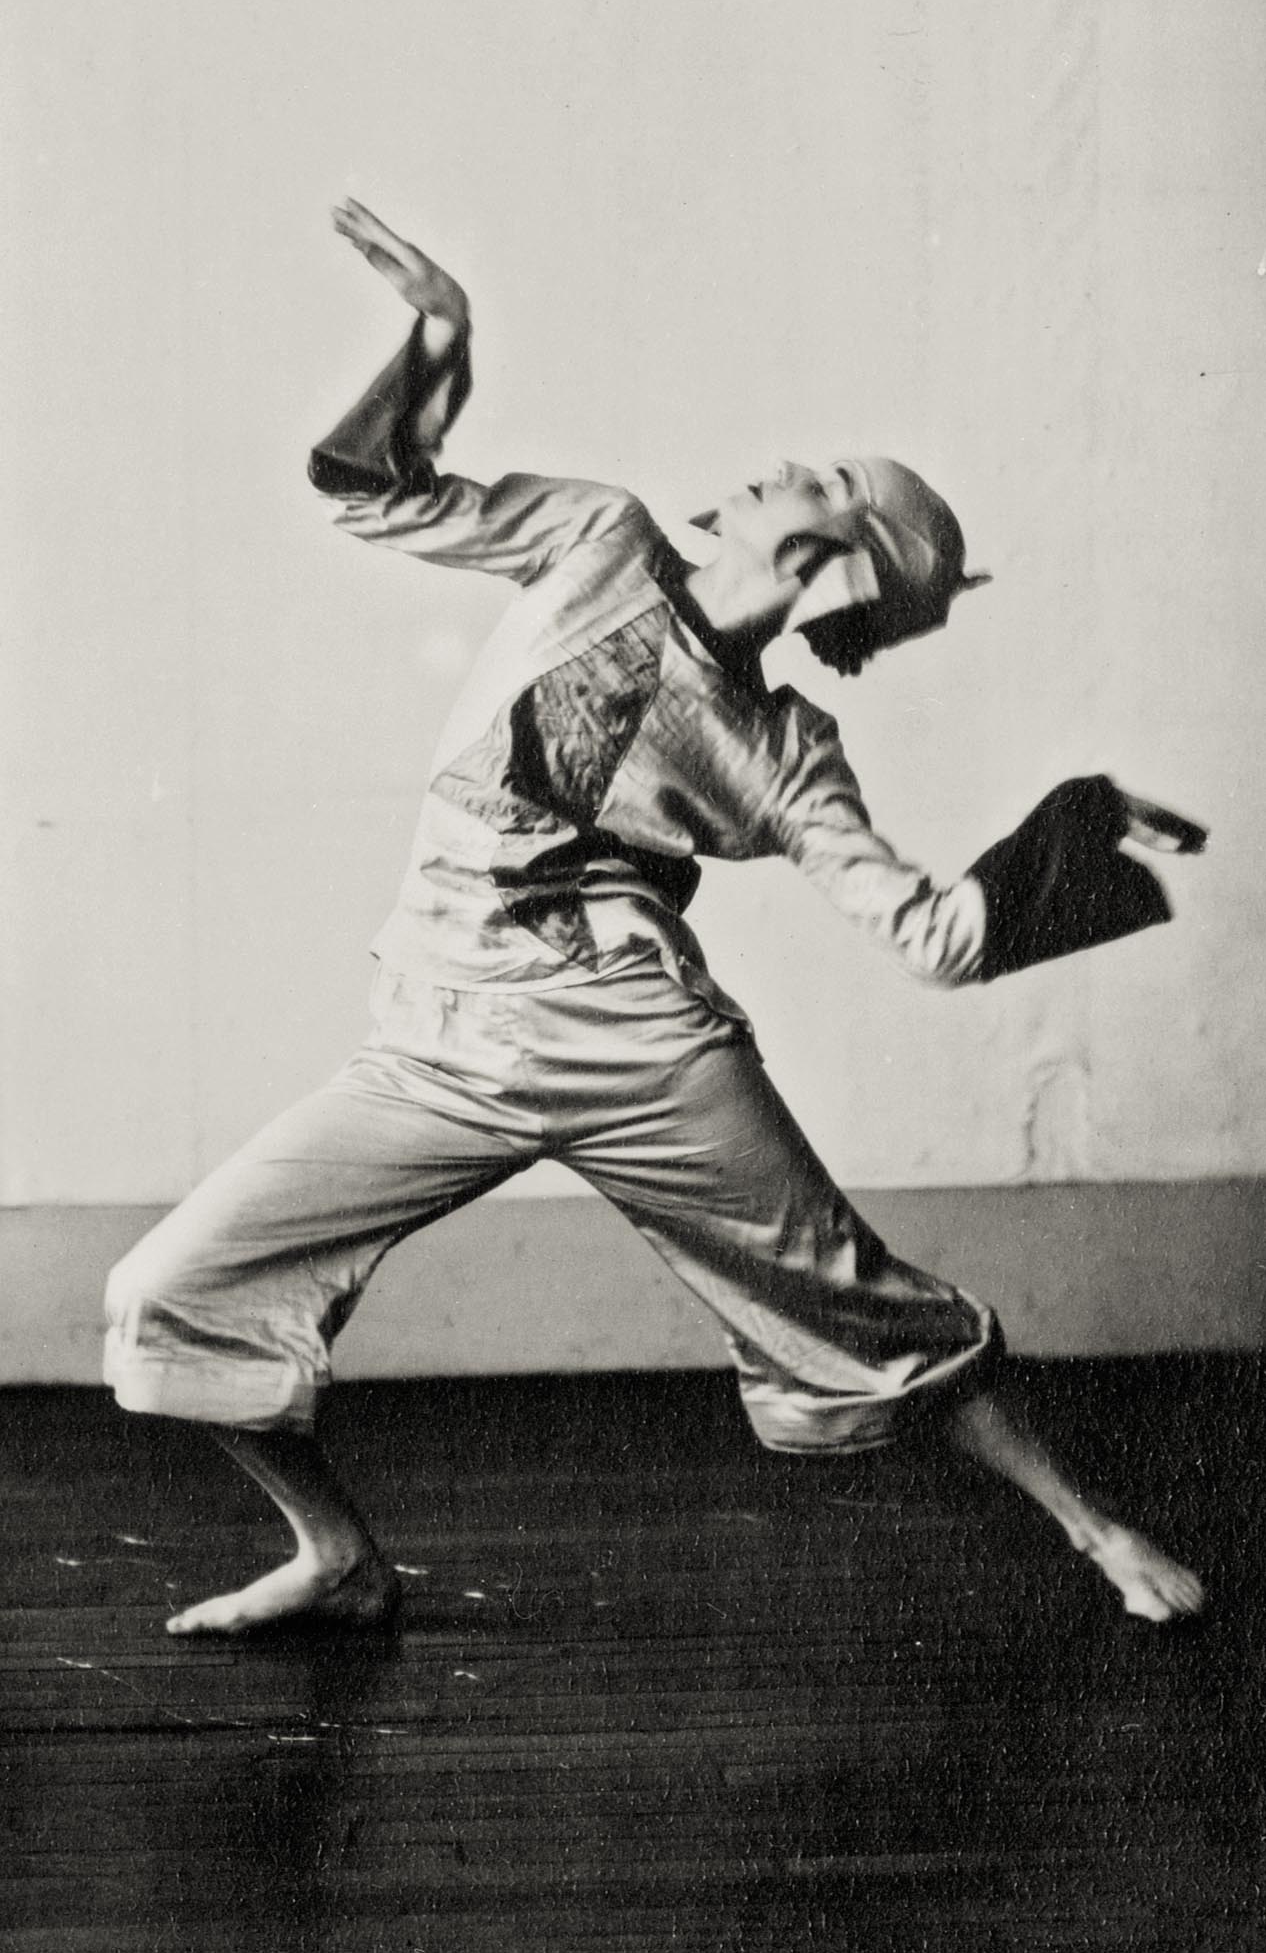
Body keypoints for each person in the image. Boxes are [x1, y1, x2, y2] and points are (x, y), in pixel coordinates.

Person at [103, 199, 1204, 1636]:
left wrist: (1077, 823)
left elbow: (936, 938)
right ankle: (338, 1555)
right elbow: (376, 495)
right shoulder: (598, 536)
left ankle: (1098, 1528)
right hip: (437, 1025)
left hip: (633, 1044)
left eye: (822, 480)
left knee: (861, 1305)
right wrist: (438, 340)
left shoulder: (788, 749)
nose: (780, 467)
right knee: (171, 1286)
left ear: (837, 561)